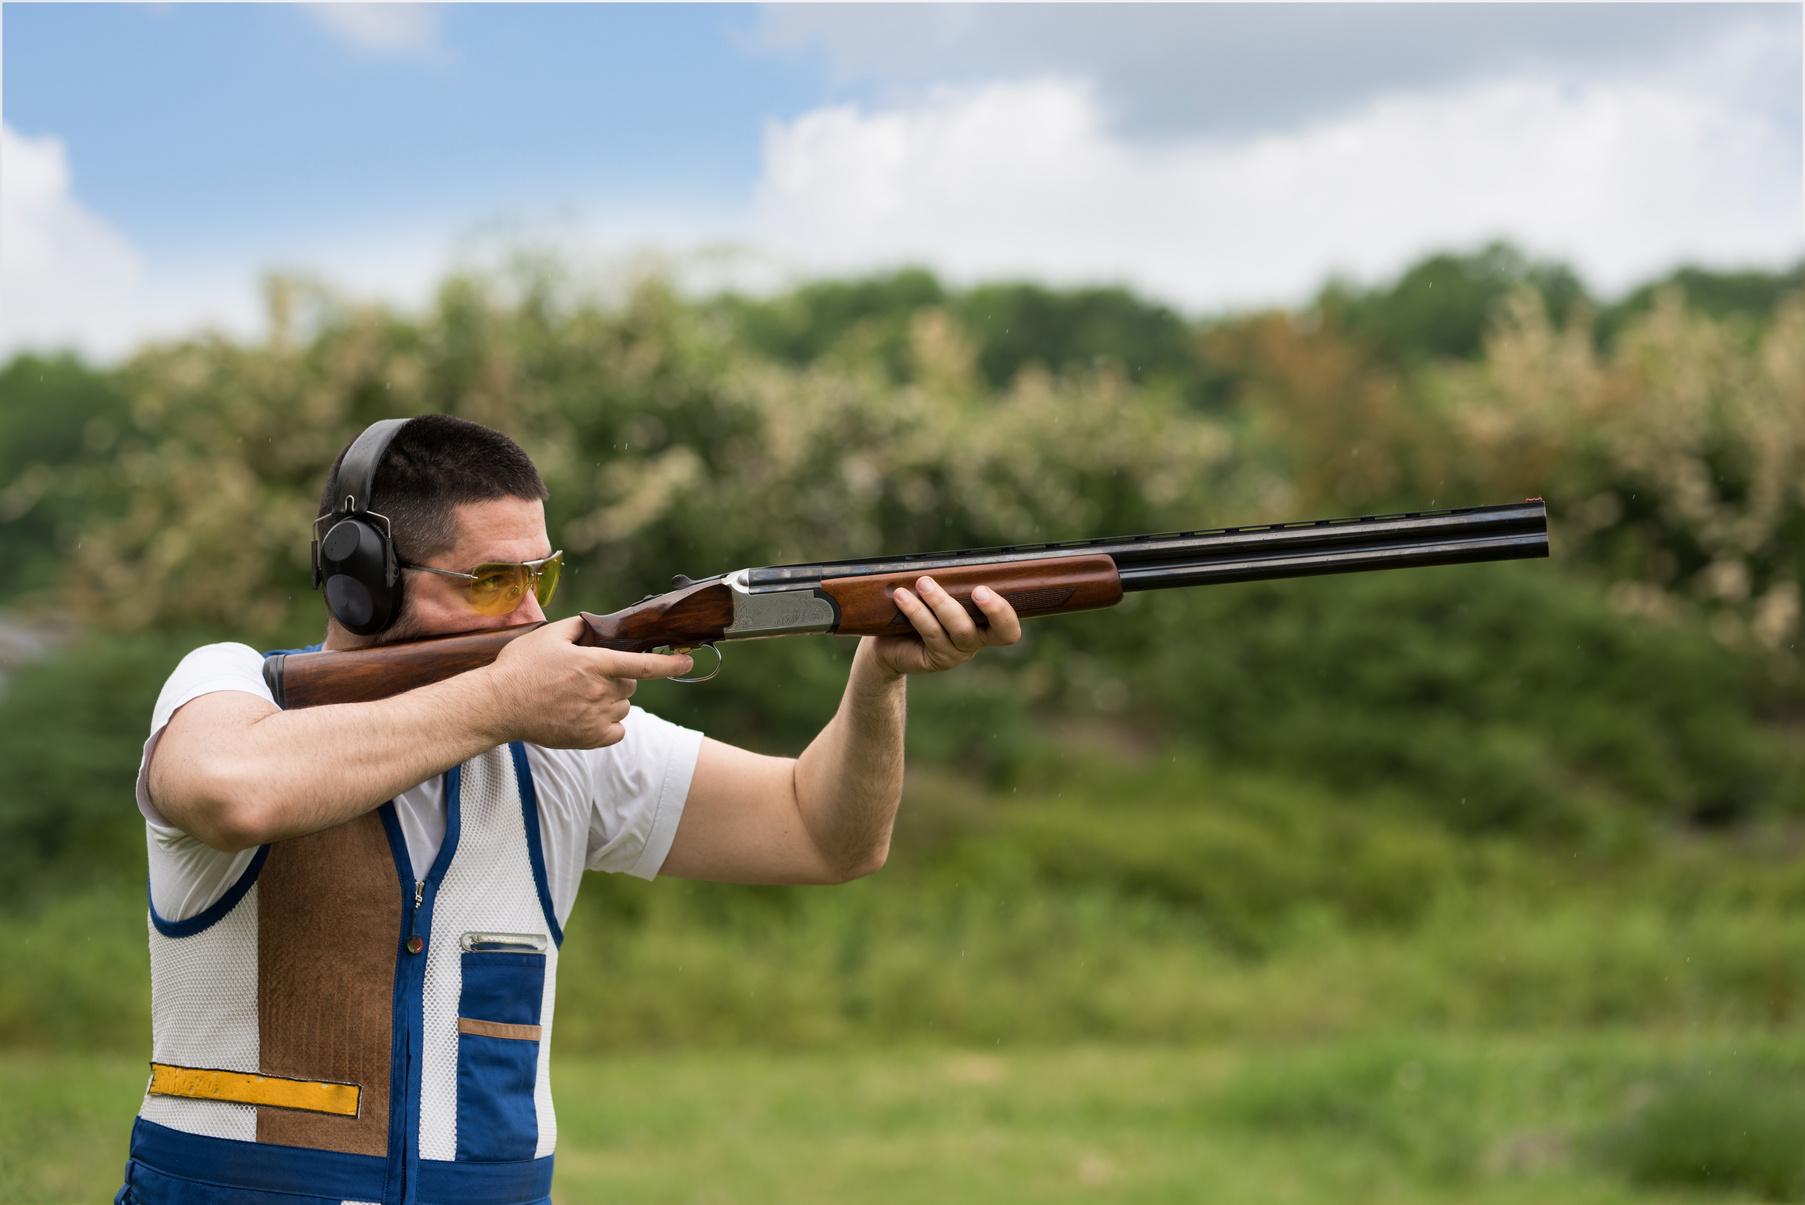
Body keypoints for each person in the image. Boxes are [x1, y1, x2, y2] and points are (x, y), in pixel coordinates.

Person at [116, 414, 1021, 1205]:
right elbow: (234, 791)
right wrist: (504, 702)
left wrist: (880, 675)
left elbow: (826, 833)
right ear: (364, 579)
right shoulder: (233, 687)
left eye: (538, 576)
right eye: (490, 582)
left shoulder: (562, 742)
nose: (530, 618)